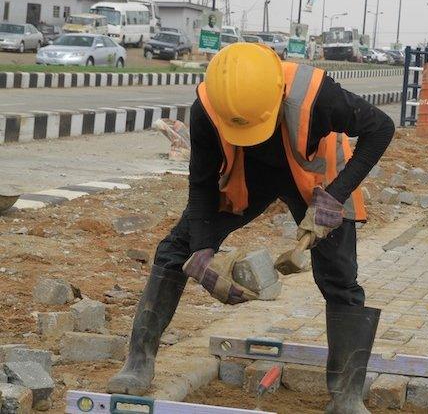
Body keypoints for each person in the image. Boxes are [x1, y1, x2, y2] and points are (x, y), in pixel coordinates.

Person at [107, 43, 394, 414]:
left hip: (315, 177)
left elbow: (381, 128)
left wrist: (336, 197)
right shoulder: (209, 108)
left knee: (339, 277)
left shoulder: (318, 95)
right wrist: (202, 248)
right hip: (249, 174)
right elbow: (201, 184)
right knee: (175, 249)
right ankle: (138, 362)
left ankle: (347, 395)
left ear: (278, 95)